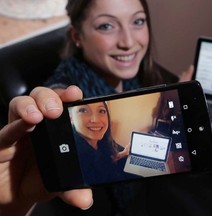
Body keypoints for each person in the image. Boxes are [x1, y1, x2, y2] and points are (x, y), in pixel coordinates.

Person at [0, 0, 195, 215]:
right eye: (106, 26)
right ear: (77, 37)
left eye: (138, 21)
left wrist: (174, 99)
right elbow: (57, 94)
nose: (128, 41)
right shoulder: (68, 87)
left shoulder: (137, 76)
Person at [69, 102, 133, 185]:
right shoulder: (76, 159)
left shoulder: (104, 141)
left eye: (101, 111)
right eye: (83, 110)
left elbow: (106, 160)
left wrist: (122, 153)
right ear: (71, 118)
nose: (95, 120)